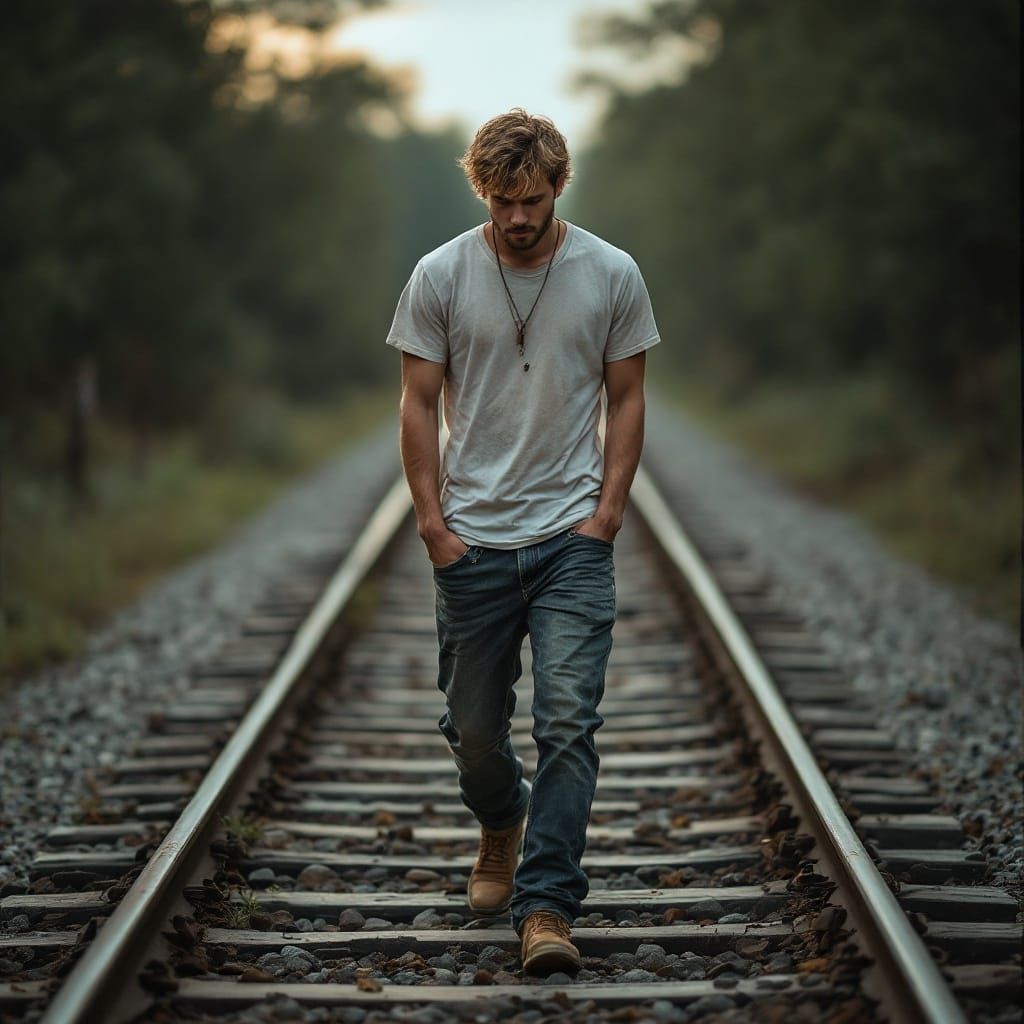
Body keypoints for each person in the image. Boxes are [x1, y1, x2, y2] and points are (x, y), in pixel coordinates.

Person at [385, 108, 660, 975]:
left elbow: (629, 399)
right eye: (502, 201)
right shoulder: (440, 274)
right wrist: (433, 525)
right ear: (483, 193)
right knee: (473, 733)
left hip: (571, 541)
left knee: (570, 725)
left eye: (533, 199)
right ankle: (502, 822)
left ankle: (546, 908)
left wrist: (607, 513)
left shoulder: (611, 273)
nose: (517, 218)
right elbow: (417, 403)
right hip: (473, 540)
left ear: (558, 188)